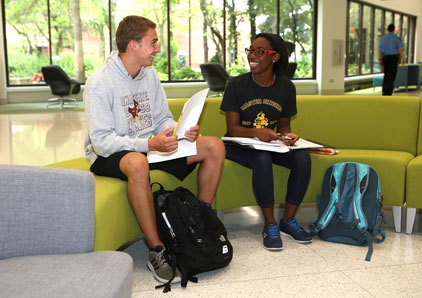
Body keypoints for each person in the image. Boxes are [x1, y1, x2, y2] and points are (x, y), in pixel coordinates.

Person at [83, 15, 225, 283]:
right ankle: (156, 249)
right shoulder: (99, 82)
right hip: (111, 154)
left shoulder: (150, 76)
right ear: (133, 45)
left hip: (151, 146)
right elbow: (101, 141)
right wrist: (148, 144)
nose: (158, 49)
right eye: (153, 42)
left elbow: (162, 119)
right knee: (138, 162)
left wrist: (180, 131)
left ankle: (200, 222)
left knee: (213, 147)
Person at [220, 33, 312, 251]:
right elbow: (233, 129)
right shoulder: (236, 85)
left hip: (269, 143)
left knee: (302, 158)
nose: (252, 55)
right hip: (237, 145)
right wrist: (257, 133)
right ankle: (269, 224)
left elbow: (284, 126)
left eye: (259, 52)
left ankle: (287, 222)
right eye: (250, 50)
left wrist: (288, 137)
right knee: (261, 159)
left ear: (275, 57)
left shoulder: (286, 87)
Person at [378, 24, 404, 96]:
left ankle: (384, 91)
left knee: (386, 74)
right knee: (391, 75)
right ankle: (389, 92)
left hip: (385, 58)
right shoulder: (396, 38)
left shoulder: (383, 38)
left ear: (387, 29)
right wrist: (403, 59)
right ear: (393, 30)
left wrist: (380, 58)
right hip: (393, 58)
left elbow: (379, 49)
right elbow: (400, 50)